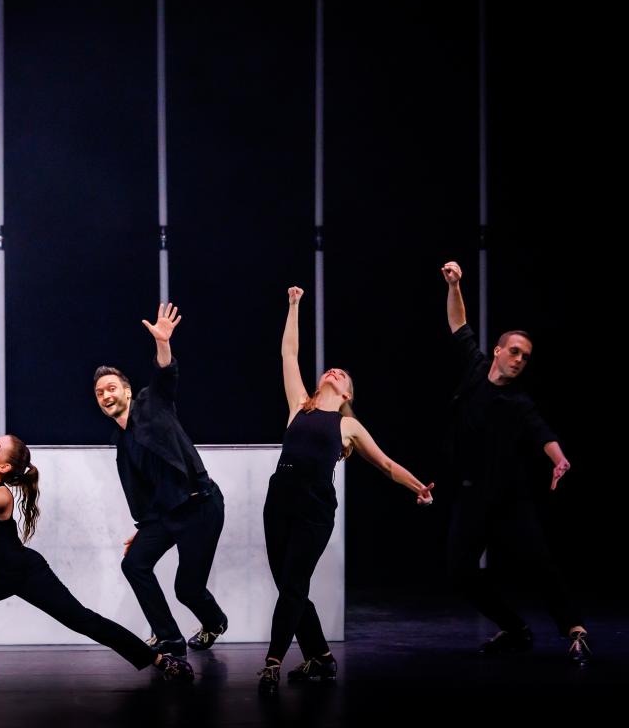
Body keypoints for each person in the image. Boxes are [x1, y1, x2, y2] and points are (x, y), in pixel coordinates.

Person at [0, 383, 194, 686]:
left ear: (4, 468)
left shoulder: (0, 497)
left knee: (83, 620)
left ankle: (160, 660)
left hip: (23, 572)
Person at [258, 286, 434, 695]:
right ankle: (321, 658)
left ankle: (273, 662)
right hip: (278, 502)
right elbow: (288, 354)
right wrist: (294, 305)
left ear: (347, 394)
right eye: (331, 370)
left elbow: (386, 464)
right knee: (289, 586)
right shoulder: (299, 406)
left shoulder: (347, 425)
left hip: (314, 510)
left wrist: (419, 488)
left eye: (342, 375)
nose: (334, 371)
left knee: (294, 585)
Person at [439, 261, 590, 666]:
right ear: (499, 350)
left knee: (539, 561)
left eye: (526, 356)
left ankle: (574, 628)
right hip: (472, 494)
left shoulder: (518, 401)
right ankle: (514, 628)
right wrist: (455, 285)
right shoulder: (475, 367)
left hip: (509, 497)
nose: (520, 360)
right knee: (459, 572)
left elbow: (542, 432)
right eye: (514, 352)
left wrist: (559, 459)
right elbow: (458, 323)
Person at [92, 303, 227, 656]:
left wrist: (162, 343)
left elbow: (165, 374)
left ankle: (214, 622)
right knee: (134, 563)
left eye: (111, 388)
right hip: (166, 516)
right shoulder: (121, 442)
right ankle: (170, 638)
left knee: (187, 589)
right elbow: (148, 490)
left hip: (199, 506)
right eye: (100, 393)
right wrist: (146, 528)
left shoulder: (152, 403)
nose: (106, 396)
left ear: (126, 391)